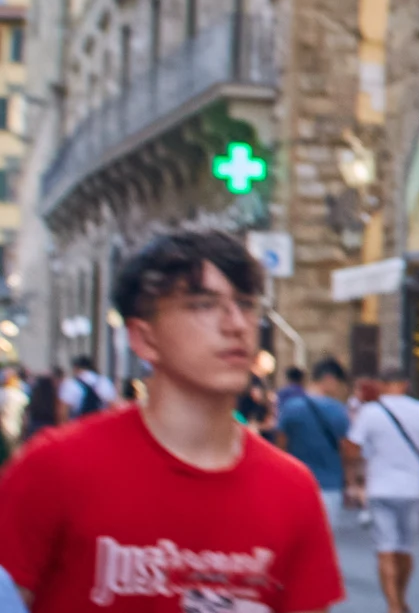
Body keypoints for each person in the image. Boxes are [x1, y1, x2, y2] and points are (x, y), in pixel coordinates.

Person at [0, 230, 342, 611]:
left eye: (246, 304)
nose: (236, 325)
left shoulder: (292, 489)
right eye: (201, 305)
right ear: (144, 338)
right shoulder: (55, 467)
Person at [345, 368, 419, 613]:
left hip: (380, 487)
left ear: (381, 385)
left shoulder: (370, 412)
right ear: (405, 384)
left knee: (385, 548)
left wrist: (357, 475)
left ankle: (394, 605)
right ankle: (401, 597)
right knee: (405, 547)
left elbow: (353, 448)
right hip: (412, 488)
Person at [277, 357, 352, 522]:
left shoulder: (290, 407)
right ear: (330, 380)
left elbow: (280, 447)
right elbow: (346, 451)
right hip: (329, 486)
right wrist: (350, 482)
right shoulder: (339, 411)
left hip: (295, 485)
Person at [55, 355, 113, 422]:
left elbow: (62, 412)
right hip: (99, 426)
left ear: (76, 368)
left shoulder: (70, 384)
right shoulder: (103, 381)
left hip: (79, 427)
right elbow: (113, 406)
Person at [17, 377, 56, 445]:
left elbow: (25, 419)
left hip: (33, 430)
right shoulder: (54, 401)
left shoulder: (34, 399)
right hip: (49, 430)